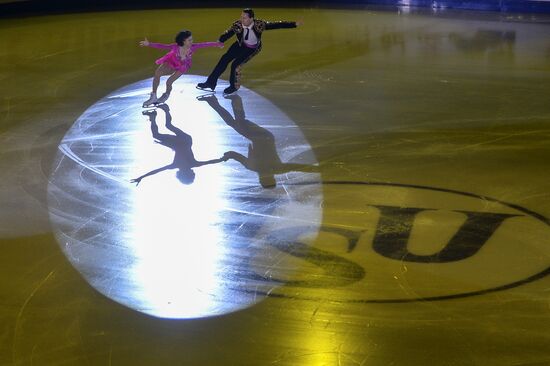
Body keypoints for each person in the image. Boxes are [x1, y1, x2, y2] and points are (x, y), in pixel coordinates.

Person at [198, 94, 318, 188]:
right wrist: (316, 170)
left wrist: (227, 156)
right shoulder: (272, 168)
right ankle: (231, 100)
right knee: (238, 122)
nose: (262, 178)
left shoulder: (258, 167)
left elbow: (234, 155)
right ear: (267, 179)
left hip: (260, 137)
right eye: (265, 180)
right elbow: (297, 167)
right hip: (263, 137)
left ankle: (216, 101)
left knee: (235, 123)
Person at [196, 8, 301, 95]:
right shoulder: (238, 24)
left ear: (251, 18)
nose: (242, 19)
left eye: (244, 18)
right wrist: (221, 40)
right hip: (240, 44)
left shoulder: (259, 25)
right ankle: (211, 82)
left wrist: (294, 24)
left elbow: (277, 25)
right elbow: (229, 33)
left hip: (252, 48)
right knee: (224, 58)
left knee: (235, 65)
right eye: (241, 17)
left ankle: (234, 86)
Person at [130, 104, 228, 185]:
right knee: (168, 126)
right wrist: (222, 159)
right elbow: (210, 162)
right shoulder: (192, 163)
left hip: (179, 143)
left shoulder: (176, 165)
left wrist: (141, 177)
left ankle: (153, 116)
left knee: (156, 134)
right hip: (185, 140)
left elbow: (157, 171)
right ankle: (165, 110)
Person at [139, 30, 223, 107]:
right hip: (171, 62)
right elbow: (162, 46)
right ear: (183, 41)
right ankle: (153, 96)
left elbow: (206, 44)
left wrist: (218, 44)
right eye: (189, 40)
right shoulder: (175, 47)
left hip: (182, 66)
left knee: (169, 82)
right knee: (157, 74)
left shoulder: (193, 47)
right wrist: (149, 44)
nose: (191, 41)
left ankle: (166, 94)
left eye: (191, 39)